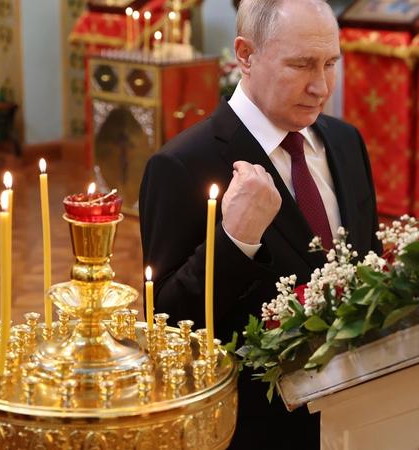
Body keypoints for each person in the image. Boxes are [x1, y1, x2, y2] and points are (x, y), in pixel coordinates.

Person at [138, 0, 381, 448]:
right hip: (256, 429)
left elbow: (369, 262)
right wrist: (236, 241)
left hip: (355, 415)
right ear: (245, 56)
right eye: (302, 65)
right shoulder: (181, 164)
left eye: (330, 64)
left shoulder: (345, 142)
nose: (321, 86)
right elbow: (165, 326)